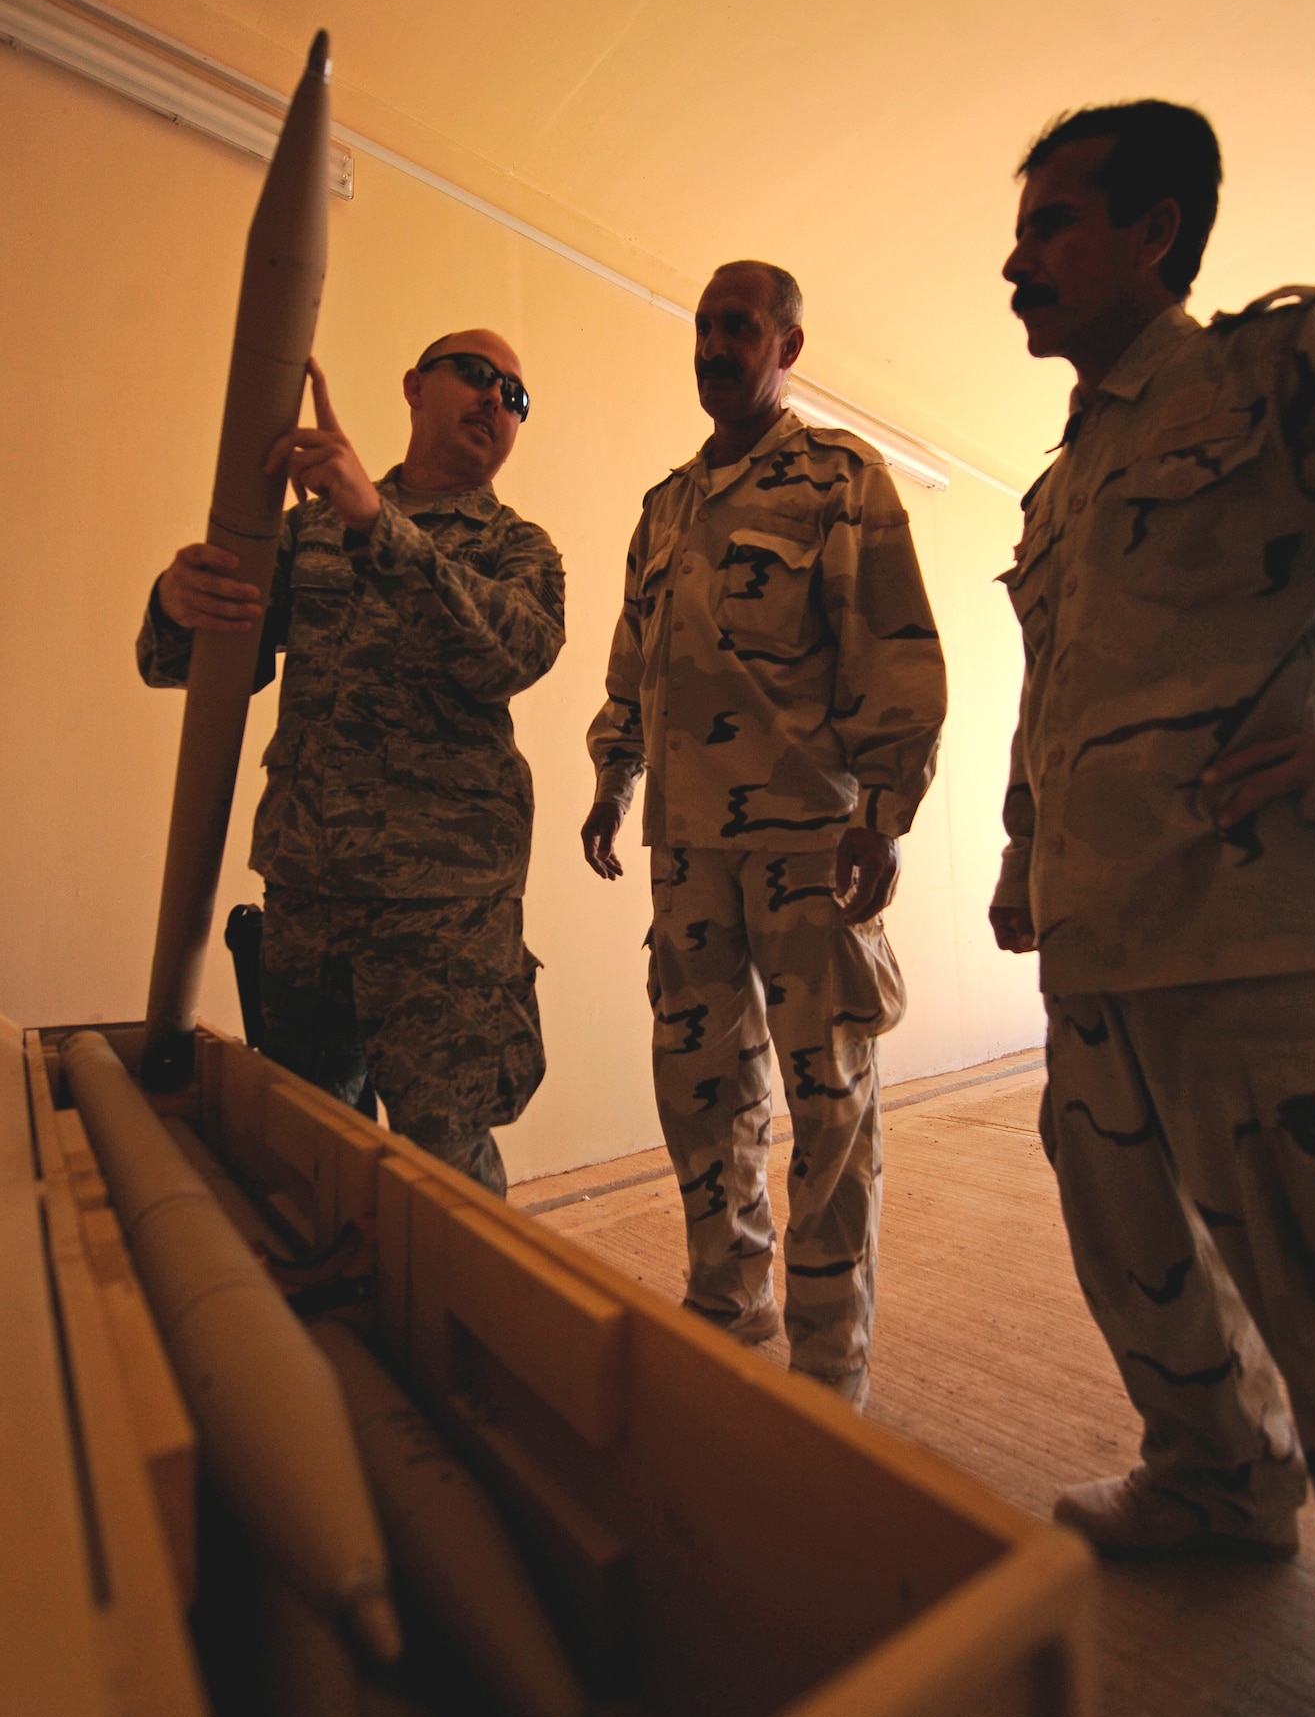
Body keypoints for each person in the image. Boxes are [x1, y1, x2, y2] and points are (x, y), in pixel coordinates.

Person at [992, 94, 1315, 1717]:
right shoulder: (1060, 475)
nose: (1017, 257)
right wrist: (1018, 853)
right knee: (1132, 1265)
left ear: (1153, 231)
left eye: (1054, 222)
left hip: (1259, 954)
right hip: (1099, 955)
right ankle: (1212, 1480)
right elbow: (1053, 691)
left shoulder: (1282, 374)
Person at [582, 260, 946, 1407]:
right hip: (688, 854)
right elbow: (633, 661)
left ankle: (830, 1370)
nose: (713, 344)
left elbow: (896, 653)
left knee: (827, 1105)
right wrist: (613, 773)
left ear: (788, 343)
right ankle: (727, 1306)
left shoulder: (840, 479)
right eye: (702, 325)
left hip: (806, 846)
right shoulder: (667, 506)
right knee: (701, 1092)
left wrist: (884, 816)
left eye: (738, 326)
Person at [139, 332, 564, 1196]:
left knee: (446, 1174)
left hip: (442, 915)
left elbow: (507, 655)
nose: (495, 400)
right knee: (310, 1149)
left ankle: (463, 1331)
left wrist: (379, 522)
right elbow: (208, 665)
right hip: (309, 894)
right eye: (475, 376)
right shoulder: (309, 531)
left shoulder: (518, 550)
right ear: (414, 386)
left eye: (514, 397)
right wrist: (175, 603)